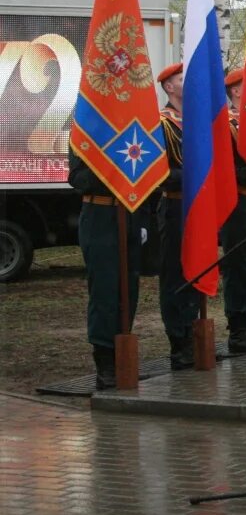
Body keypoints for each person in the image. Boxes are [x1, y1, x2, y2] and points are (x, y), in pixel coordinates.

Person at [68, 152, 144, 389]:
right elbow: (77, 177)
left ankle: (123, 355)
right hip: (100, 215)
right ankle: (105, 362)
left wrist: (142, 221)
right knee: (105, 289)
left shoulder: (133, 130)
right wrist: (111, 172)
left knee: (128, 289)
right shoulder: (88, 132)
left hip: (130, 213)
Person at [157, 61, 205, 369]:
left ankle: (194, 333)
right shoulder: (162, 123)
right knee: (176, 275)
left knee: (198, 270)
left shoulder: (198, 121)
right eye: (181, 78)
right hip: (174, 207)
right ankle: (179, 342)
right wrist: (195, 175)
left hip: (198, 208)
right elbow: (160, 173)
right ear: (170, 87)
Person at [220, 68, 246, 353]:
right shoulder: (226, 123)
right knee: (239, 265)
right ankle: (238, 328)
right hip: (236, 203)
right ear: (236, 90)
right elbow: (220, 165)